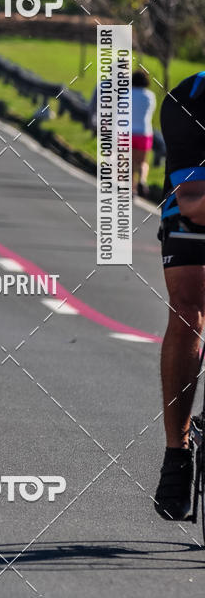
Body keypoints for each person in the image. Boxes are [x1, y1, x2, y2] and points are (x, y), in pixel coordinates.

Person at [155, 71, 205, 520]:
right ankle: (178, 452)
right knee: (188, 309)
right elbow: (191, 199)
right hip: (195, 212)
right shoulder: (189, 99)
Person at [132, 70, 156, 198]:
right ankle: (142, 180)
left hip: (127, 132)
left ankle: (132, 188)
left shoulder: (126, 94)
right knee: (142, 161)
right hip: (144, 132)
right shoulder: (150, 96)